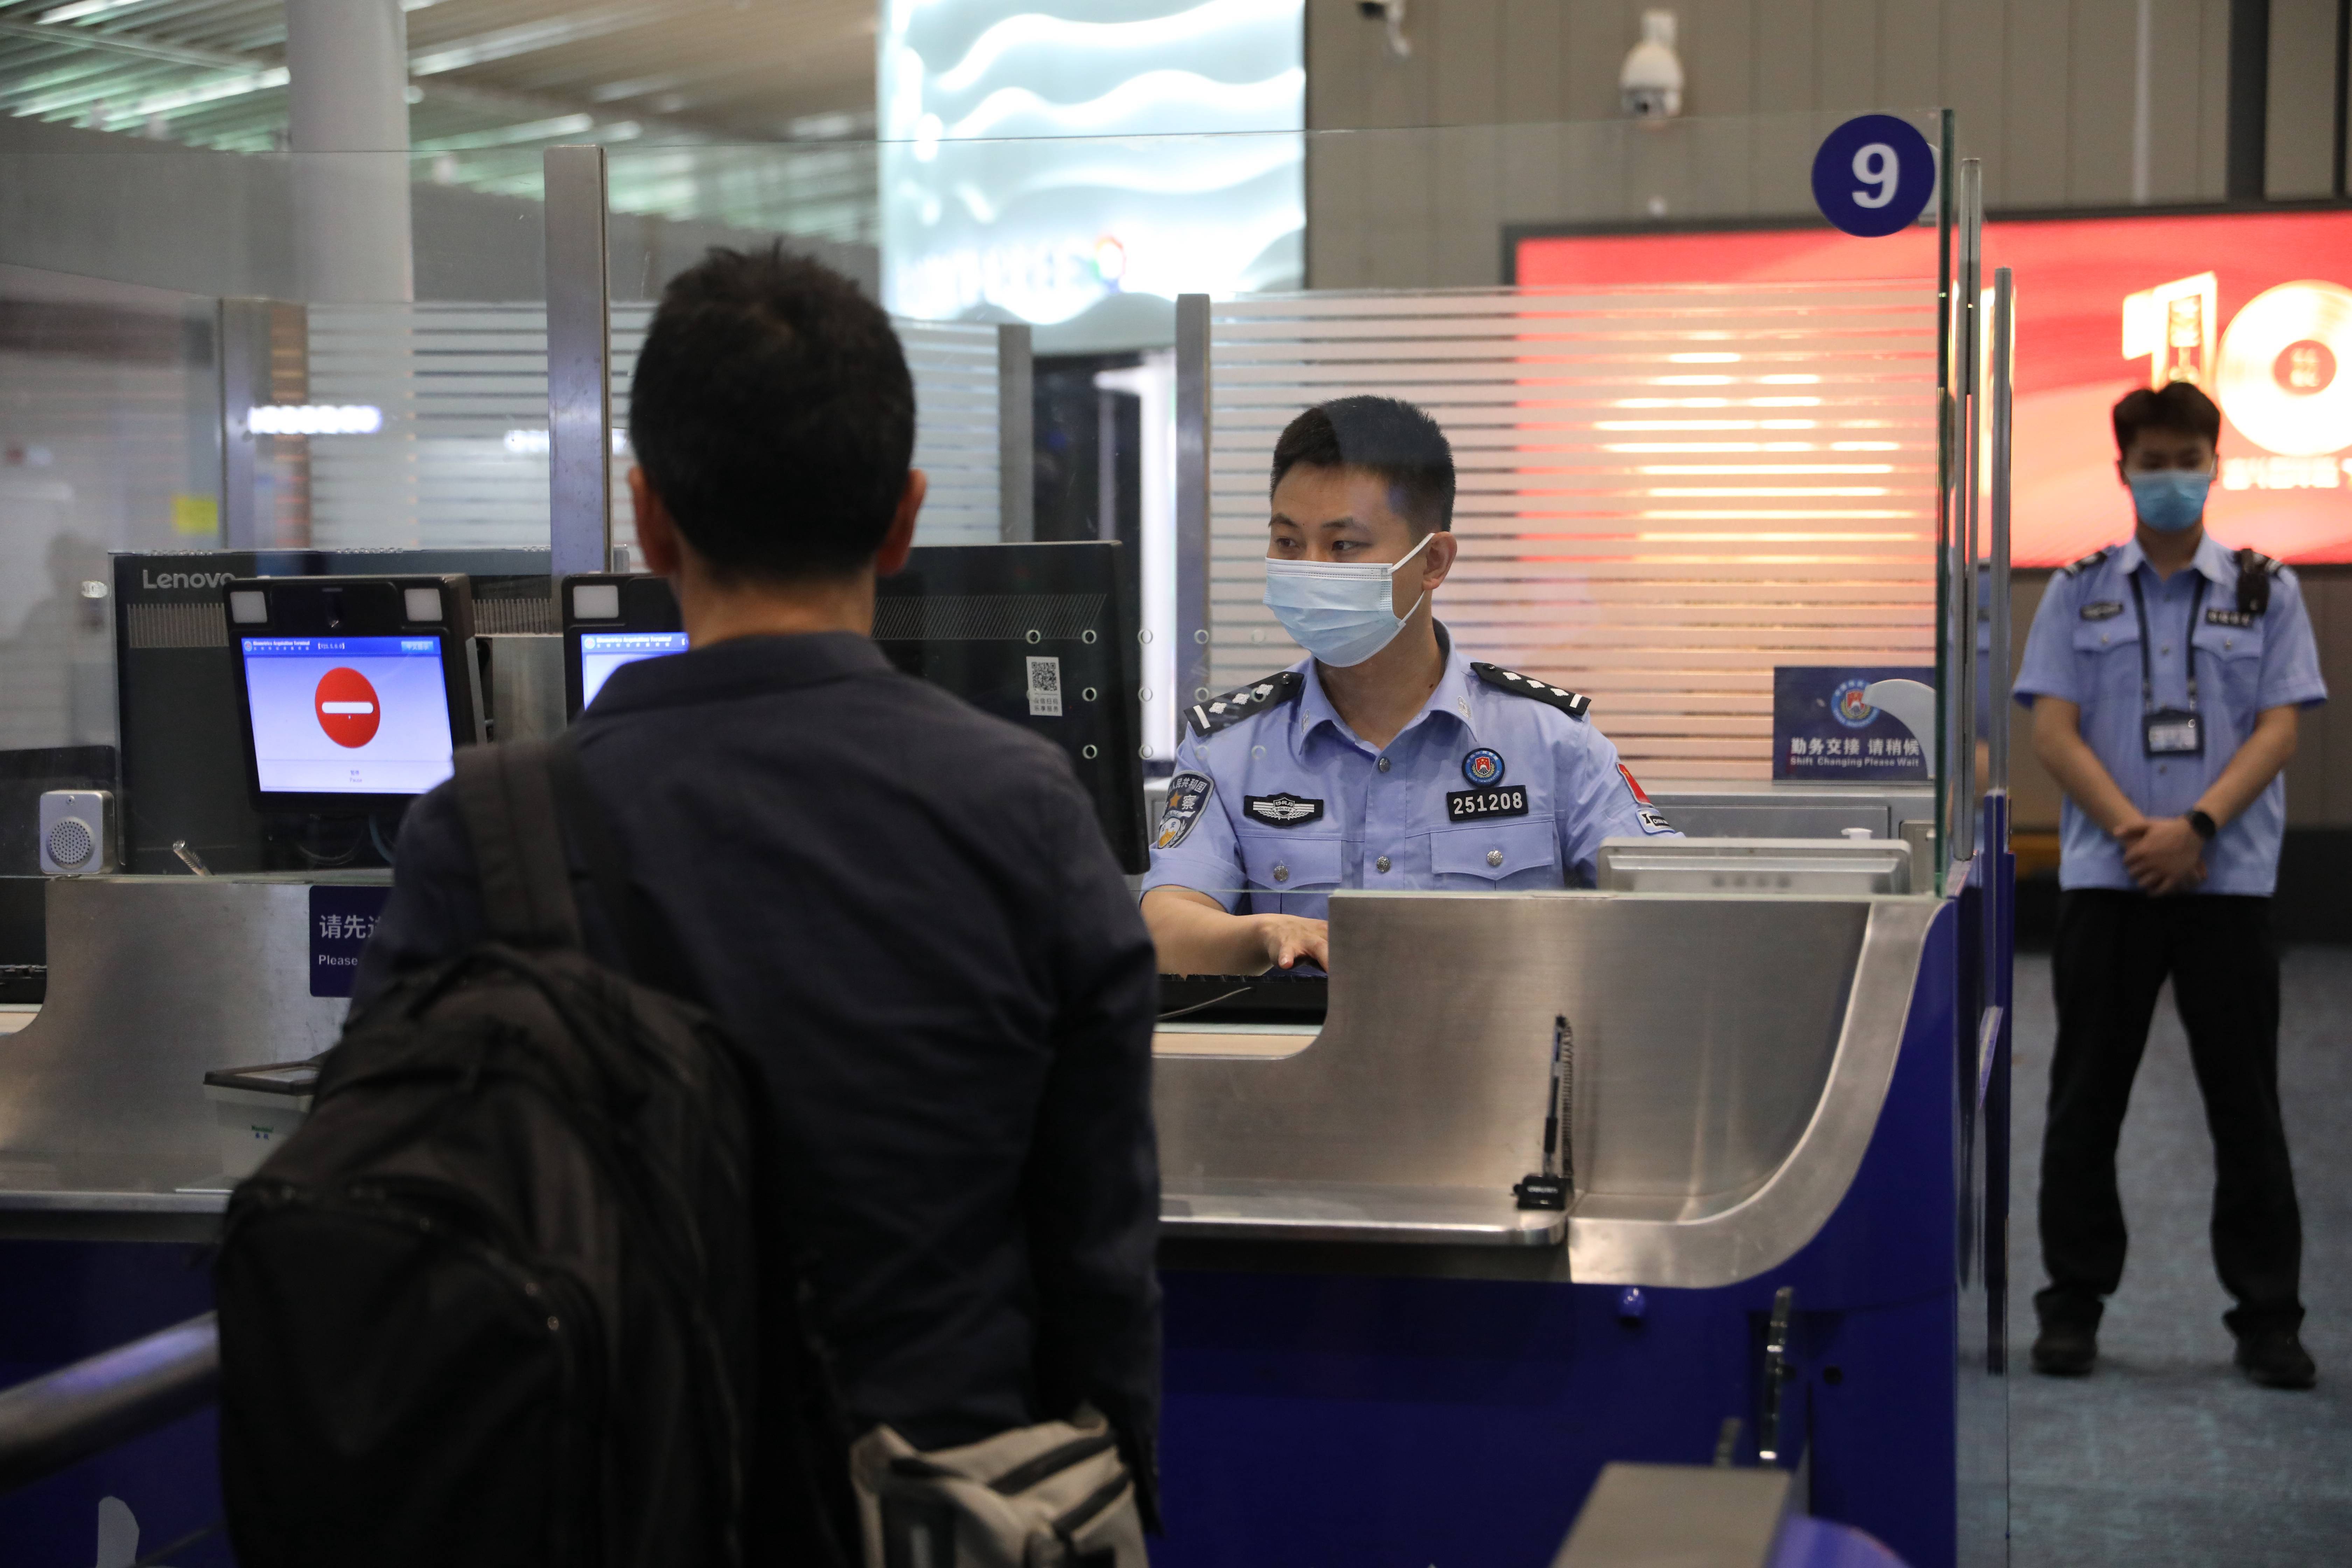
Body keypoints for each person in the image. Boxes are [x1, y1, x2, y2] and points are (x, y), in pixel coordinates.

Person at [352, 247, 1164, 1511]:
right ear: (903, 520)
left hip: (610, 1512)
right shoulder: (1028, 815)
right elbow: (1098, 1254)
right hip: (935, 1504)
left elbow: (391, 1234)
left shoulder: (482, 833)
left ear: (648, 519)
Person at [2013, 380, 2324, 1390]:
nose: (2173, 480)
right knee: (2085, 1101)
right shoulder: (2077, 589)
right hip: (2109, 881)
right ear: (2124, 471)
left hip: (2226, 883)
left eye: (2189, 461)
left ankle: (2268, 1319)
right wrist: (2134, 834)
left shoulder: (2267, 589)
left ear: (2214, 466)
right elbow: (2053, 731)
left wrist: (2195, 830)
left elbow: (2279, 727)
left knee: (2247, 1107)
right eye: (2154, 463)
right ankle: (2071, 1308)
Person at [1140, 396, 1676, 975]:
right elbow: (1165, 927)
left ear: (1434, 561)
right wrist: (1267, 932)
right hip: (1307, 1035)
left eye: (1343, 546)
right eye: (1289, 543)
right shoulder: (1230, 746)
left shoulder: (1548, 739)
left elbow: (1673, 906)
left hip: (1496, 1032)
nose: (1311, 568)